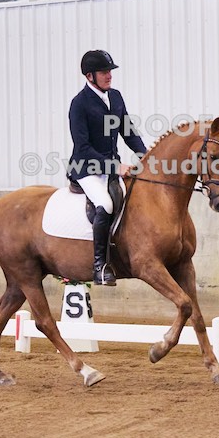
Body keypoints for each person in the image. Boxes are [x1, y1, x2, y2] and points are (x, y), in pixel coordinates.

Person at [68, 50, 147, 286]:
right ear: (89, 76)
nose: (109, 76)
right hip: (86, 168)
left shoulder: (115, 97)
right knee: (106, 204)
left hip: (111, 168)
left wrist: (145, 156)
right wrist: (115, 166)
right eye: (104, 72)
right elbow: (82, 147)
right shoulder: (79, 104)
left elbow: (128, 131)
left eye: (110, 71)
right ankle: (100, 266)